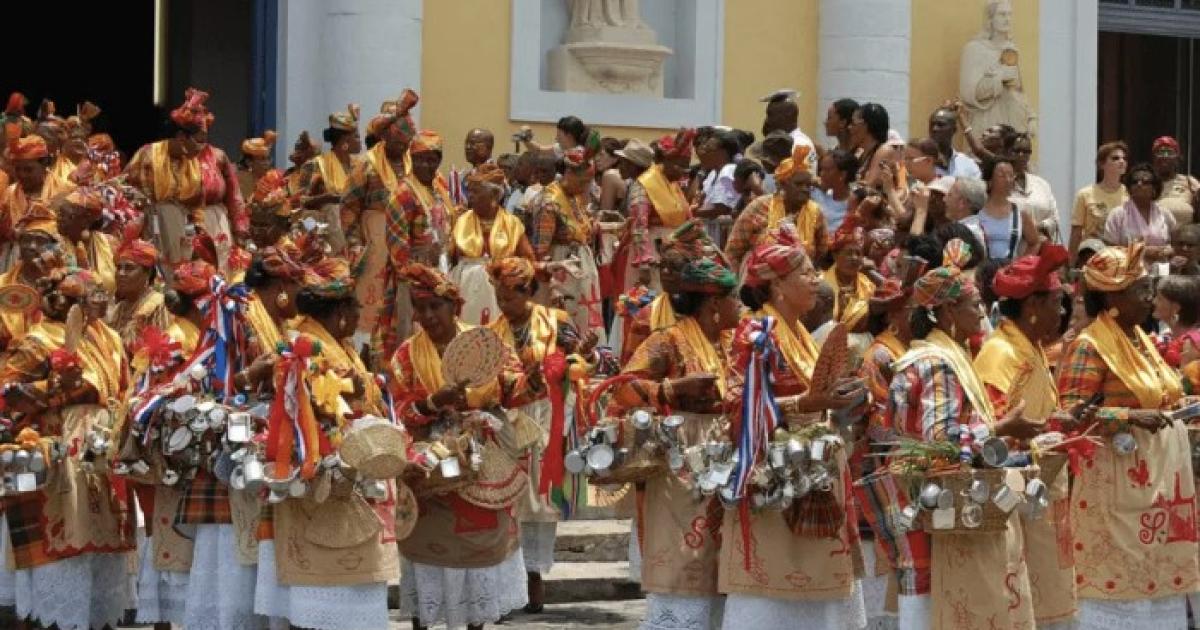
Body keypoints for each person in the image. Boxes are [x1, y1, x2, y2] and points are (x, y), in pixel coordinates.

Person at [884, 239, 1038, 628]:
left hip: (916, 497)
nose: (982, 312)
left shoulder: (927, 354)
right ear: (947, 311)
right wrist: (1005, 428)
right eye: (974, 305)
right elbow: (942, 443)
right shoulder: (939, 363)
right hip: (935, 504)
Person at [719, 234, 866, 629]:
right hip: (777, 471)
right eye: (805, 272)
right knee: (773, 594)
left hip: (813, 465)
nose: (817, 278)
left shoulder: (799, 331)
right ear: (777, 285)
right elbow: (737, 404)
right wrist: (805, 404)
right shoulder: (756, 333)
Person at [1057, 242, 1199, 628]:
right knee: (1120, 596)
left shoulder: (1141, 339)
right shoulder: (1089, 346)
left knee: (1158, 593)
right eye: (1140, 288)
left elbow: (1163, 396)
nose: (1150, 294)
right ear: (1113, 297)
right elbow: (1067, 418)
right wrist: (1130, 417)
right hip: (1114, 490)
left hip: (1158, 490)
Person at [389, 263, 537, 630]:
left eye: (434, 307)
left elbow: (511, 387)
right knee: (428, 555)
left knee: (479, 552)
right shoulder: (406, 356)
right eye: (419, 308)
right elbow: (396, 410)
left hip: (482, 458)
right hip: (431, 470)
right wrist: (431, 404)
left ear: (453, 306)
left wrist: (535, 379)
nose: (426, 316)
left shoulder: (485, 343)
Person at [257, 256, 397, 630]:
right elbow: (320, 402)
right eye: (354, 311)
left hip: (349, 460)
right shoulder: (304, 344)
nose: (357, 319)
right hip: (319, 460)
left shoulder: (336, 343)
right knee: (314, 581)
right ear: (339, 315)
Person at [608, 249, 740, 630]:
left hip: (728, 455)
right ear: (713, 304)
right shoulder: (667, 340)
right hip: (682, 459)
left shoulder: (737, 342)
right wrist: (670, 389)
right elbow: (622, 389)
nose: (739, 306)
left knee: (722, 562)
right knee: (686, 560)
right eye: (732, 298)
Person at [1, 267, 134, 630]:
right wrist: (55, 388)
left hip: (102, 453)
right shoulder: (39, 340)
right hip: (59, 455)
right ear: (74, 302)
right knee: (61, 553)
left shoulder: (108, 337)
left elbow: (121, 390)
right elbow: (6, 395)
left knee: (100, 558)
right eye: (97, 295)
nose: (106, 300)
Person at [486, 257, 607, 614]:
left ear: (527, 292)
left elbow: (587, 362)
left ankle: (535, 577)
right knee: (510, 496)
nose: (503, 305)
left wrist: (582, 358)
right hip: (510, 420)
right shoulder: (494, 331)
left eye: (509, 298)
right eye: (498, 297)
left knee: (539, 499)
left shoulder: (556, 321)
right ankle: (508, 582)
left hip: (547, 416)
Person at [974, 245, 1077, 628]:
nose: (1062, 312)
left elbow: (1032, 415)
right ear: (1032, 304)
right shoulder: (1001, 352)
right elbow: (993, 428)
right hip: (1016, 490)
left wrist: (1056, 422)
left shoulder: (1030, 348)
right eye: (1055, 302)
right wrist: (1042, 435)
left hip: (1041, 489)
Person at [343, 90, 420, 354]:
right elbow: (350, 205)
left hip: (407, 238)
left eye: (407, 143)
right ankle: (366, 352)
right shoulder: (366, 164)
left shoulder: (414, 163)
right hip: (375, 238)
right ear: (385, 137)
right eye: (398, 143)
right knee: (371, 301)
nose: (403, 148)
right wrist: (354, 243)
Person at [381, 129, 455, 353]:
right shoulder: (403, 194)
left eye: (432, 160)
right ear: (412, 160)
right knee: (414, 333)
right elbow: (398, 249)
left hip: (443, 269)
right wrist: (419, 275)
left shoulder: (440, 189)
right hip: (413, 278)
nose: (427, 165)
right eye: (421, 160)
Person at [529, 148, 605, 342]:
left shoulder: (574, 197)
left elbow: (583, 231)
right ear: (569, 174)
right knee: (565, 325)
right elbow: (541, 249)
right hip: (561, 272)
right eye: (583, 182)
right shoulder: (548, 202)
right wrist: (552, 286)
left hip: (582, 269)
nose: (585, 187)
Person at [449, 163, 535, 326]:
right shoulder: (461, 220)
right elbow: (451, 257)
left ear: (494, 196)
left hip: (501, 289)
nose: (470, 196)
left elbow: (528, 259)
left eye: (476, 191)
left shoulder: (512, 223)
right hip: (466, 287)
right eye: (470, 191)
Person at [726, 145, 827, 269]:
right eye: (799, 184)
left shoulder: (815, 211)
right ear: (783, 184)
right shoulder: (759, 206)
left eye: (808, 185)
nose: (805, 189)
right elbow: (734, 250)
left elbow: (822, 252)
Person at [0, 132, 73, 271]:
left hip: (56, 260)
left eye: (28, 169)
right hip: (14, 260)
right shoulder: (9, 193)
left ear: (45, 164)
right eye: (17, 169)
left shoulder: (65, 190)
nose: (22, 175)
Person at [297, 104, 362, 253]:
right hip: (325, 226)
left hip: (355, 225)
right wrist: (326, 198)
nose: (360, 141)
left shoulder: (359, 166)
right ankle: (341, 255)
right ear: (344, 141)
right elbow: (298, 203)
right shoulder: (315, 165)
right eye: (356, 137)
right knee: (329, 211)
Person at [0, 207, 59, 351]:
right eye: (27, 240)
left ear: (54, 247)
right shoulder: (2, 283)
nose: (32, 246)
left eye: (40, 241)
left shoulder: (63, 284)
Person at [964, 157, 1041, 262]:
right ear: (990, 181)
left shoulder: (1020, 213)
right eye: (1002, 176)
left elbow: (1035, 242)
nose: (1008, 180)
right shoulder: (977, 211)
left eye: (1011, 175)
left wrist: (1021, 264)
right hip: (982, 272)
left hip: (1009, 274)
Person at [1069, 141, 1129, 264]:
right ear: (1102, 164)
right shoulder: (1085, 194)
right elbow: (1076, 233)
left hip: (1122, 260)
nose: (1122, 161)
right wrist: (1070, 264)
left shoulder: (1130, 195)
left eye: (1124, 158)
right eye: (1115, 158)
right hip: (1092, 257)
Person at [1104, 163, 1175, 267]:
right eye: (1134, 182)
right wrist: (1143, 251)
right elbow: (1109, 249)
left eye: (1145, 182)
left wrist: (1166, 251)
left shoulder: (1164, 214)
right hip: (1126, 274)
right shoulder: (1118, 214)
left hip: (1161, 274)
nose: (1139, 184)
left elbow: (1177, 245)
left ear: (1154, 187)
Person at [55, 187, 116, 291]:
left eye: (68, 216)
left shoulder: (109, 243)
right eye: (60, 213)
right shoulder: (54, 243)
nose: (60, 219)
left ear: (86, 221)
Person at [1006, 132, 1059, 242]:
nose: (1021, 155)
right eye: (1017, 150)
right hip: (1014, 252)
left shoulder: (1041, 184)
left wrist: (1039, 227)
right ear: (1007, 152)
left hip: (1042, 251)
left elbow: (1054, 218)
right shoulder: (1001, 184)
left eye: (1026, 152)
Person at [823, 225, 875, 331]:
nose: (854, 258)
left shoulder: (868, 285)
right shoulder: (821, 283)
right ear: (835, 255)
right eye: (849, 253)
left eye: (858, 253)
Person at [695, 129, 740, 247]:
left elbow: (721, 208)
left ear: (722, 153)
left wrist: (692, 213)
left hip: (722, 238)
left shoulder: (729, 170)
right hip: (711, 235)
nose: (703, 153)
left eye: (708, 149)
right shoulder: (712, 174)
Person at [760, 89, 818, 173]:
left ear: (788, 115)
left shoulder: (799, 144)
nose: (767, 120)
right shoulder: (789, 140)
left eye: (771, 115)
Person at [1151, 136, 1199, 227]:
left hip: (1187, 237)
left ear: (1177, 159)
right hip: (1157, 238)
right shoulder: (1148, 184)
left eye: (1169, 152)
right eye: (1160, 152)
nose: (1165, 156)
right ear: (1154, 159)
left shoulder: (1189, 182)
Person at [928, 107, 981, 179]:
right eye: (932, 125)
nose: (934, 129)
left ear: (954, 130)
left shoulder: (968, 164)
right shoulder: (918, 161)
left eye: (940, 125)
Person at [814, 149, 858, 234]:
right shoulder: (817, 194)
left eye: (827, 170)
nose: (822, 174)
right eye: (821, 169)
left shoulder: (855, 202)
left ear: (843, 174)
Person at [849, 103, 890, 186]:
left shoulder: (883, 151)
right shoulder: (859, 152)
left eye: (853, 123)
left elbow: (868, 185)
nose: (849, 127)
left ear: (865, 125)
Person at [238, 129, 277, 199]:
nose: (267, 163)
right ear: (249, 162)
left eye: (268, 159)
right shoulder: (242, 179)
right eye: (262, 159)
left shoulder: (274, 177)